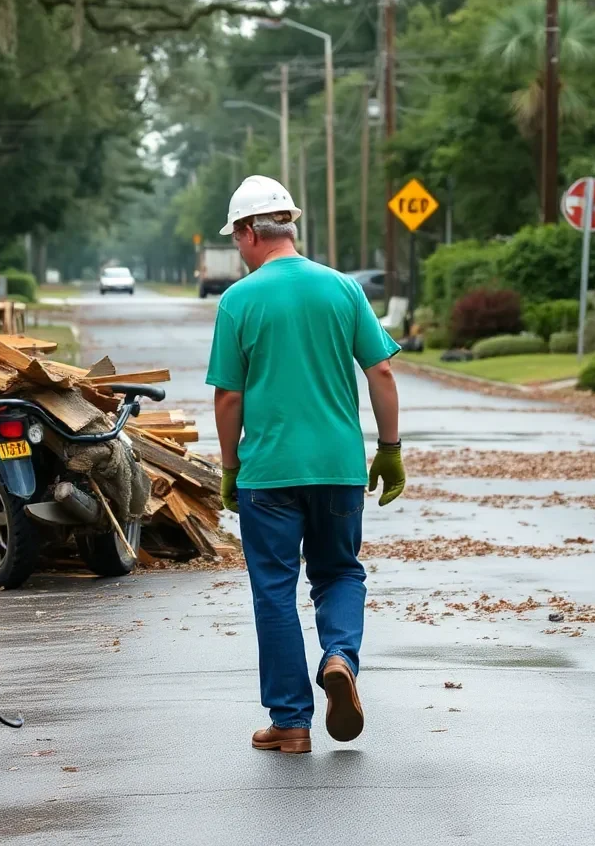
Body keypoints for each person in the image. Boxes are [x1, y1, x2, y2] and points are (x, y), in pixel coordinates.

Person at [205, 175, 405, 755]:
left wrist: (228, 466)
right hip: (339, 468)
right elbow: (382, 373)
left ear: (249, 232)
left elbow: (228, 398)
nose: (239, 250)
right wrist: (389, 449)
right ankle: (340, 656)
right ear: (287, 224)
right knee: (340, 572)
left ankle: (291, 722)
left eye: (237, 238)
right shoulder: (343, 289)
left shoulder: (239, 300)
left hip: (269, 473)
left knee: (274, 591)